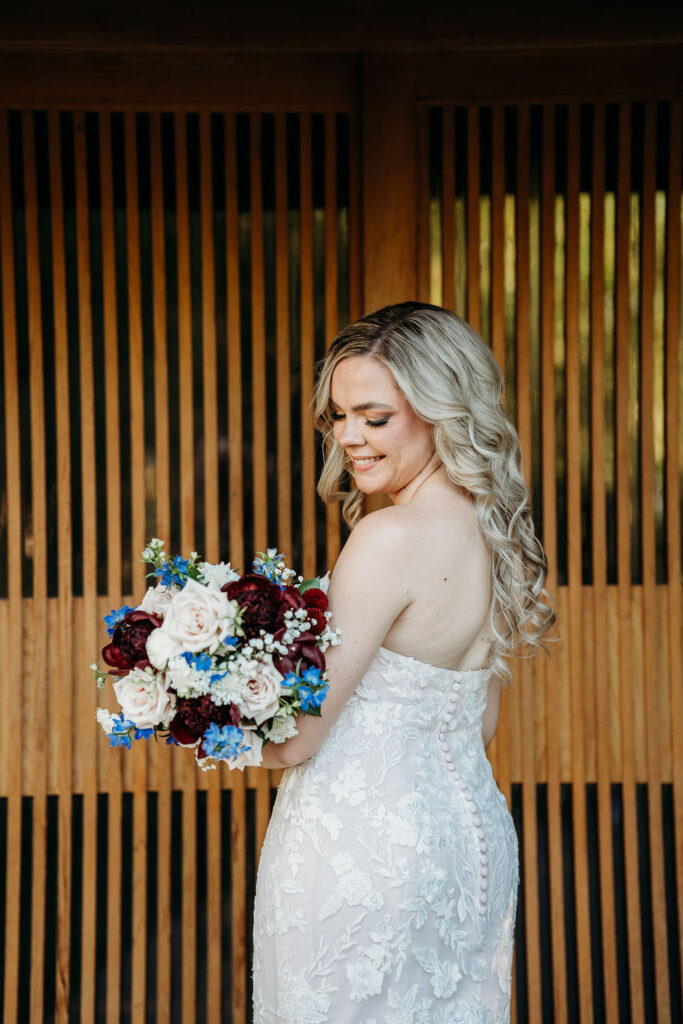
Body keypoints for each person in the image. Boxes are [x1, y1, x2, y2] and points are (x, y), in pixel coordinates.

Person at [251, 301, 555, 1023]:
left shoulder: (390, 538)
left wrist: (197, 701)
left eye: (374, 417)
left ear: (442, 411)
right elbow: (475, 724)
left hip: (359, 856)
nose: (348, 438)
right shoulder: (489, 533)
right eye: (337, 417)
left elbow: (297, 737)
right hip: (467, 841)